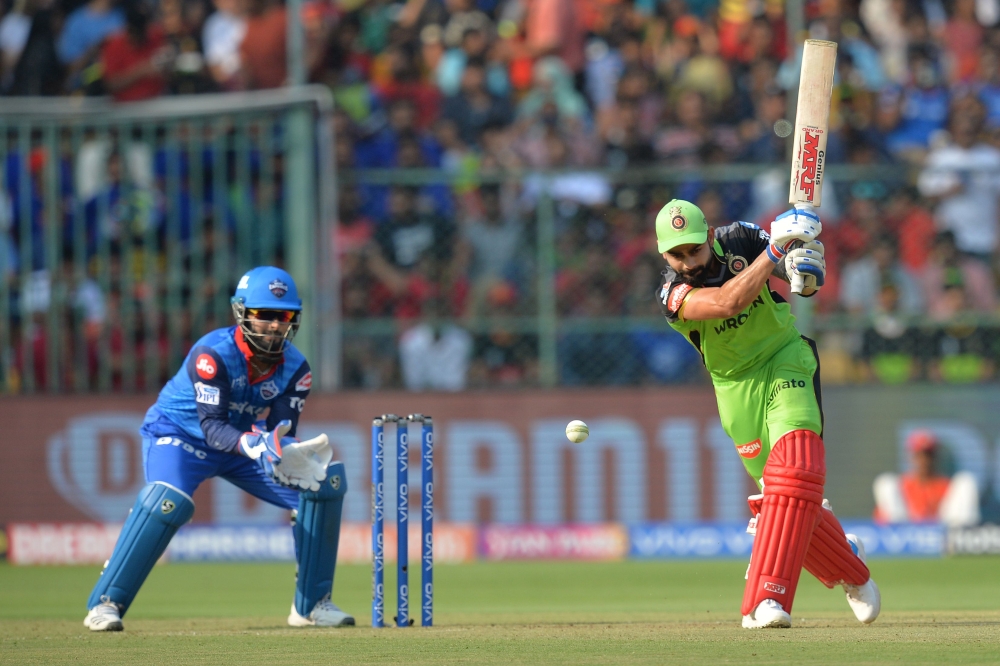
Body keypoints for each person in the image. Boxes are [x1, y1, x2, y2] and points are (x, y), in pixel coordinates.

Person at [83, 267, 354, 631]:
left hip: (241, 446)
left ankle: (310, 606)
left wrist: (285, 449)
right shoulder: (212, 353)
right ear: (242, 313)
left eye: (284, 316)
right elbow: (211, 428)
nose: (275, 326)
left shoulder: (296, 368)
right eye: (265, 315)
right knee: (168, 500)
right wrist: (256, 444)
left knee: (321, 487)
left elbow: (280, 430)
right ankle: (105, 603)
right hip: (180, 435)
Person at [655, 200, 880, 629]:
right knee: (787, 501)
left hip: (783, 358)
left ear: (709, 237)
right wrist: (776, 252)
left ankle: (765, 599)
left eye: (693, 250)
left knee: (795, 471)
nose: (686, 262)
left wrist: (804, 266)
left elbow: (801, 283)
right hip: (735, 391)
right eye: (675, 255)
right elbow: (725, 303)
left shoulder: (740, 237)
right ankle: (851, 566)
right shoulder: (671, 294)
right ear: (663, 254)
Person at [873, 430, 980, 526]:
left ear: (935, 457)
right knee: (885, 481)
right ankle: (898, 534)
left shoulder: (946, 485)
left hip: (943, 536)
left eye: (928, 455)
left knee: (966, 481)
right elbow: (880, 519)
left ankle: (961, 539)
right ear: (911, 457)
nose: (924, 460)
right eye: (919, 455)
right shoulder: (901, 486)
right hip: (908, 536)